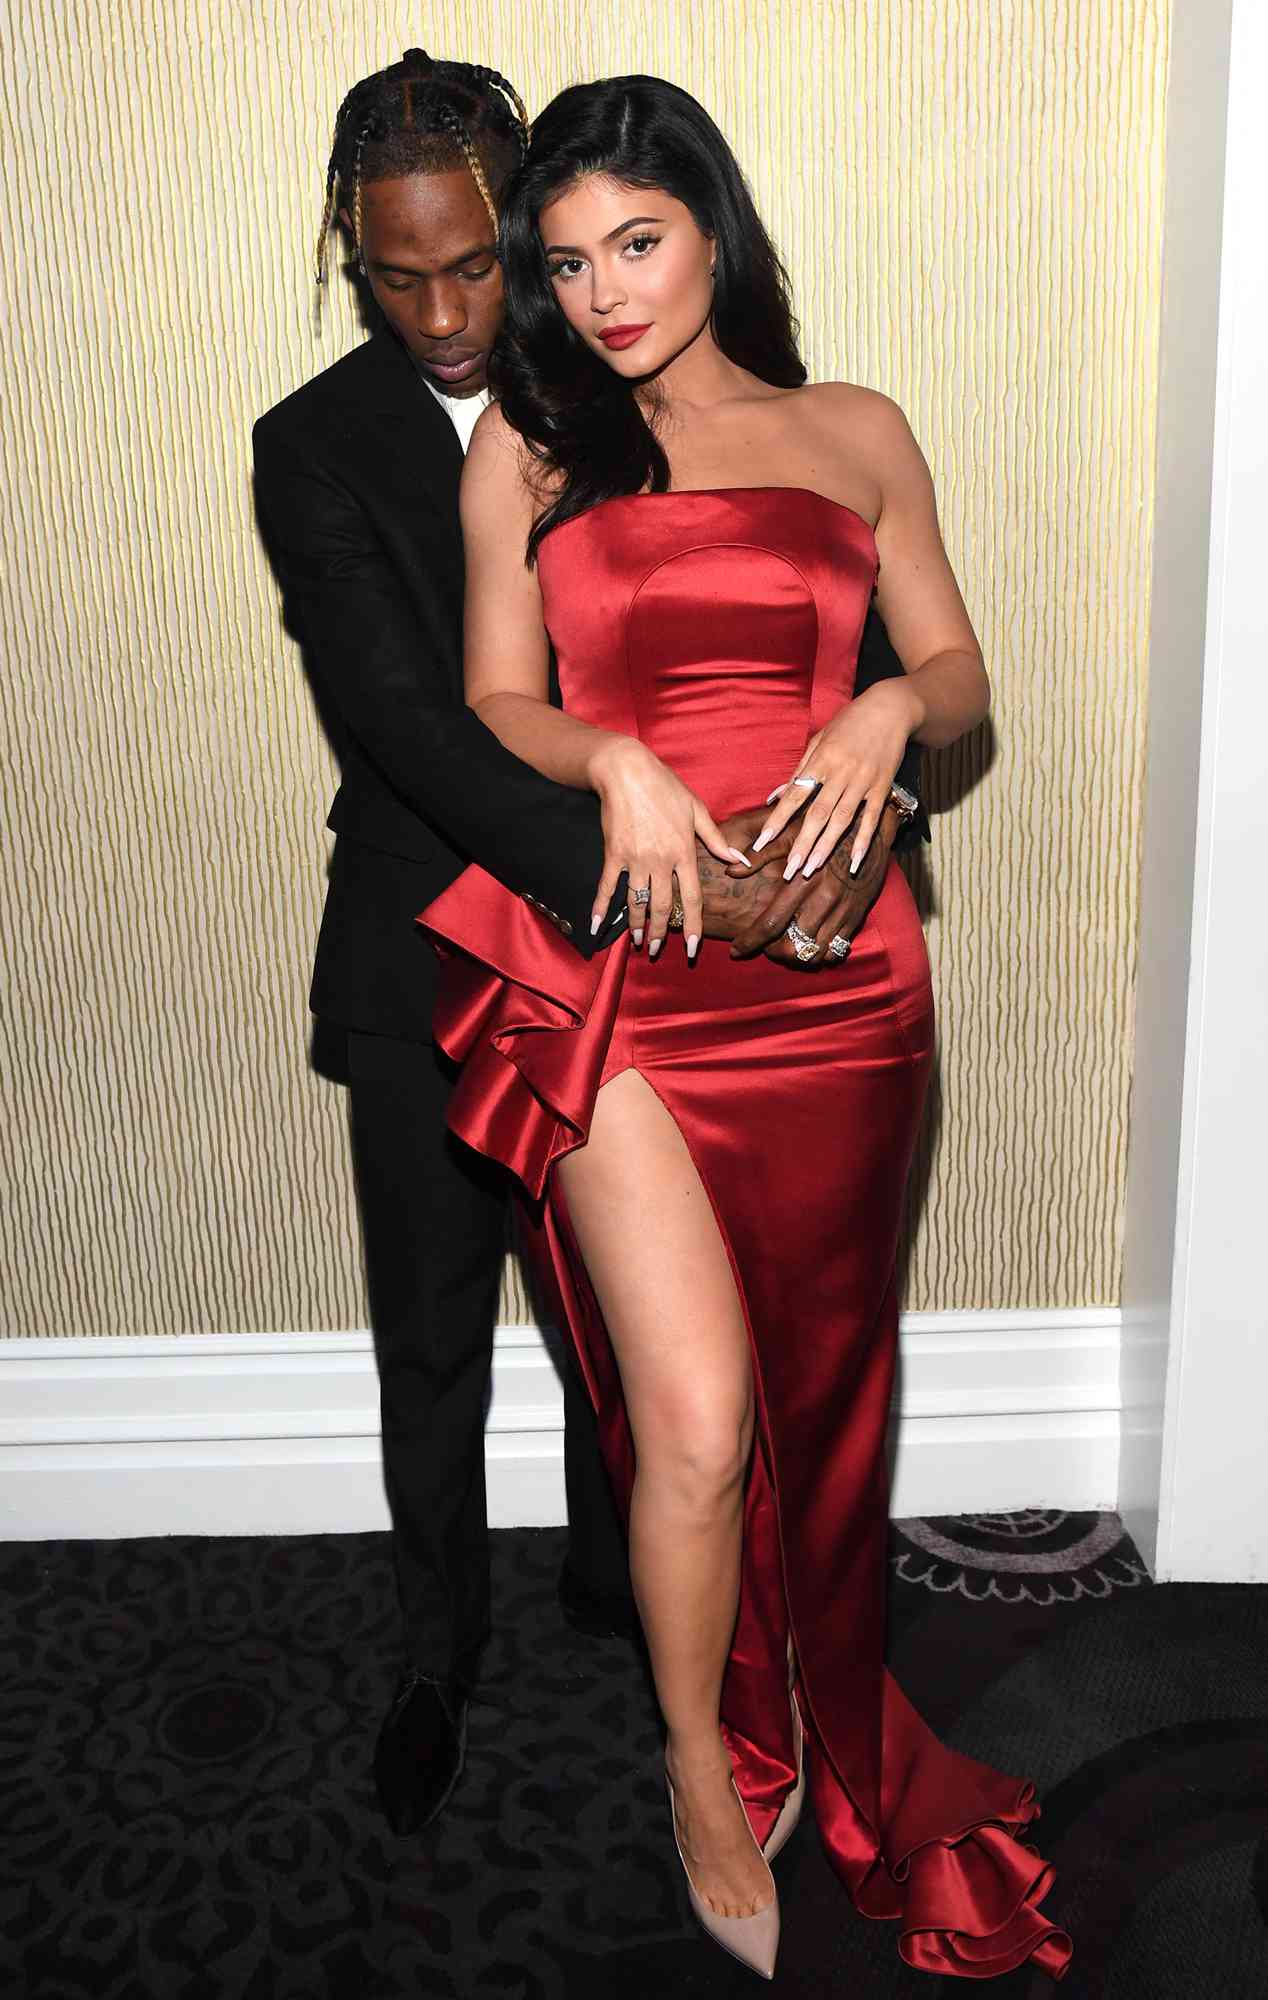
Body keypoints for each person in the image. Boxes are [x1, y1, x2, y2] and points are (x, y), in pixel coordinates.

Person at [421, 75, 1071, 1983]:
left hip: (842, 979)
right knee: (694, 1426)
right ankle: (706, 1763)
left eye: (640, 240)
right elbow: (491, 699)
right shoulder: (530, 451)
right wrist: (610, 752)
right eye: (571, 261)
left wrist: (883, 714)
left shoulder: (852, 428)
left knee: (822, 1387)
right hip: (623, 971)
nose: (608, 292)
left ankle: (820, 1688)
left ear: (714, 226)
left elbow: (953, 671)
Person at [252, 52, 926, 1843]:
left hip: (711, 957)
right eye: (402, 277)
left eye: (485, 261)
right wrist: (682, 874)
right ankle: (429, 1661)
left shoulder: (631, 396)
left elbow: (827, 645)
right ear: (351, 255)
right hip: (445, 951)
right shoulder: (316, 444)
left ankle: (635, 1617)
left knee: (629, 1362)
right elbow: (420, 722)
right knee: (432, 1337)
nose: (450, 308)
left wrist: (858, 800)